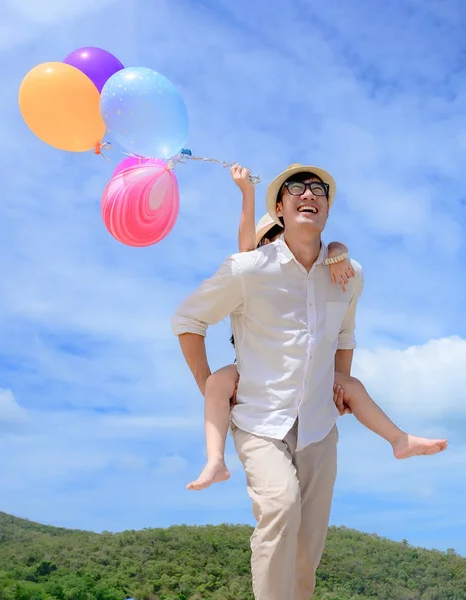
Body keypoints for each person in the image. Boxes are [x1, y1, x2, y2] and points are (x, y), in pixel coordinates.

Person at [171, 164, 445, 599]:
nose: (307, 194)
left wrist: (342, 384)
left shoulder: (348, 273)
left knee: (307, 552)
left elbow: (345, 335)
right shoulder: (248, 269)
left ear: (327, 207)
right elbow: (188, 319)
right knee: (279, 505)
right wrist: (210, 386)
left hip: (319, 424)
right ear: (280, 207)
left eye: (318, 189)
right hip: (260, 418)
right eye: (295, 188)